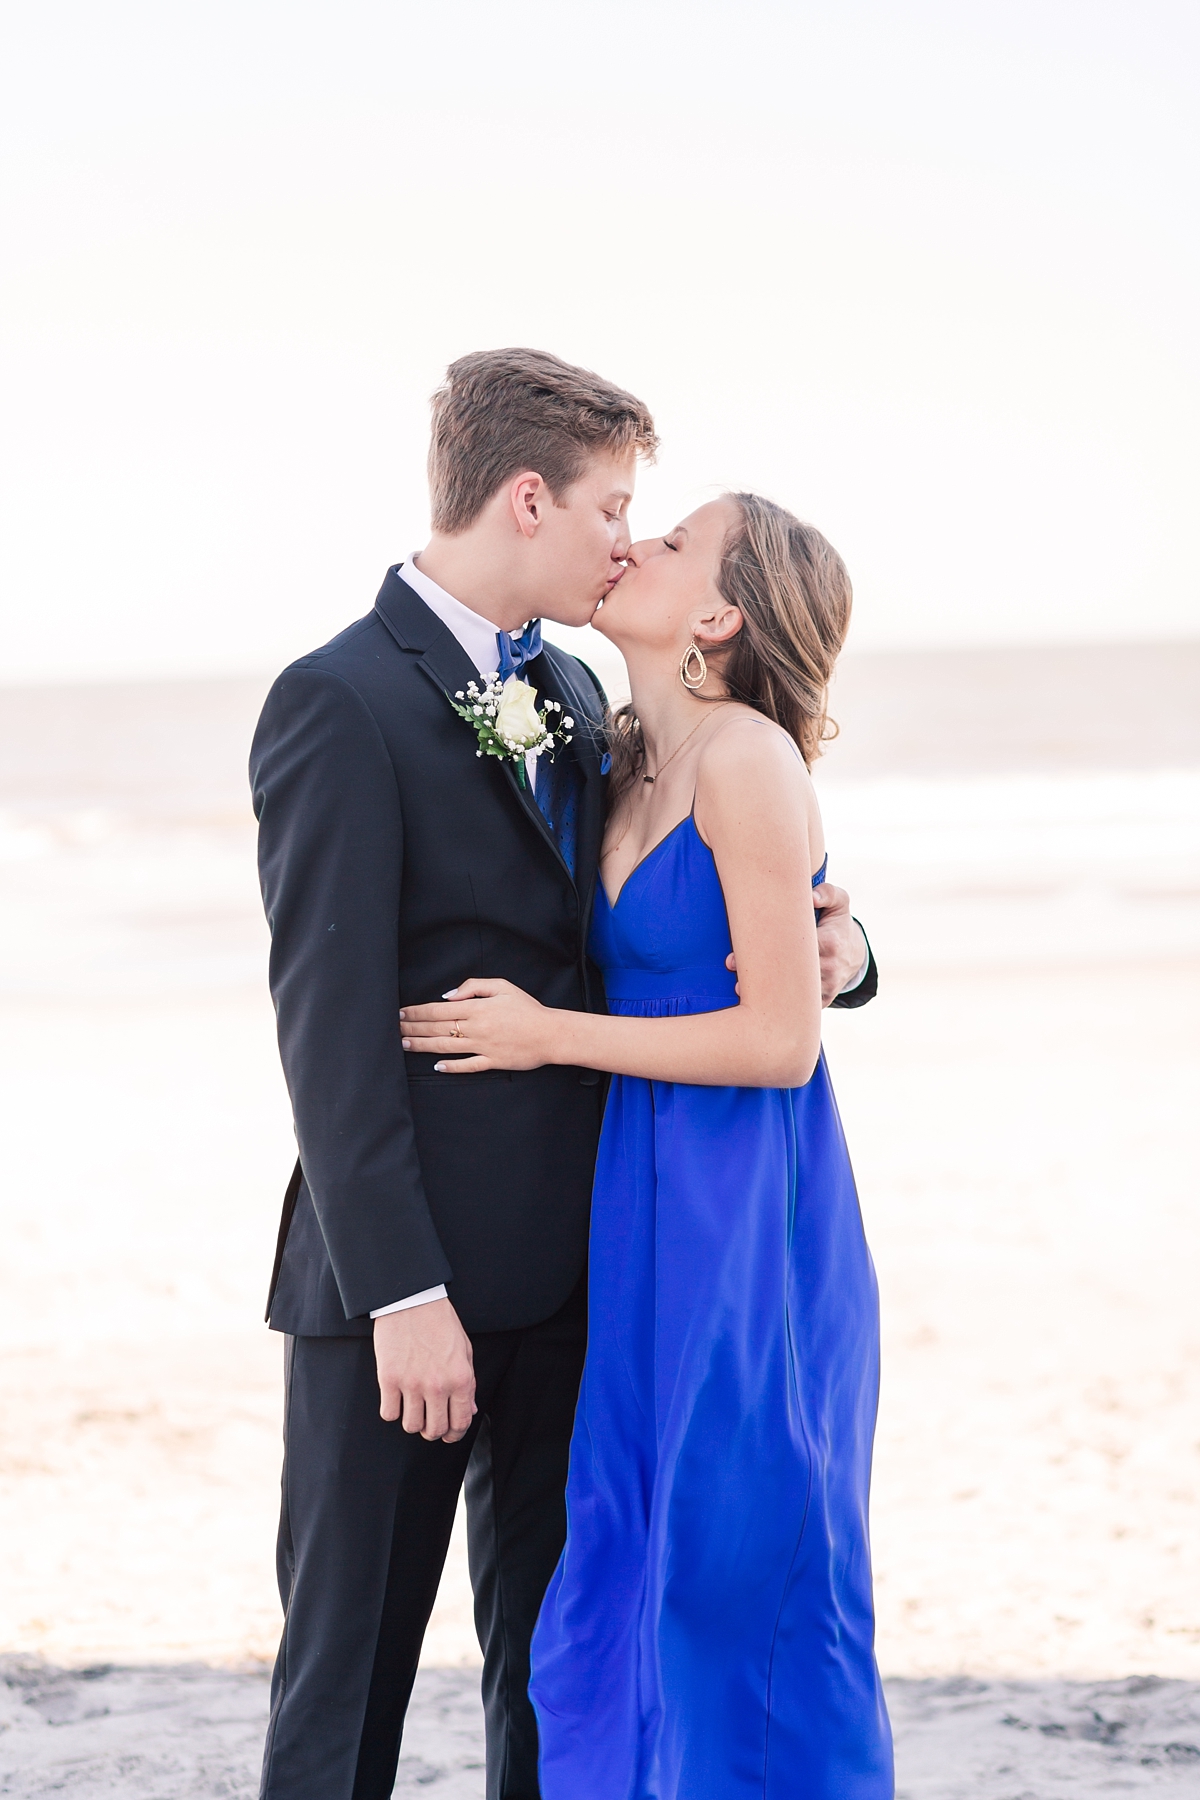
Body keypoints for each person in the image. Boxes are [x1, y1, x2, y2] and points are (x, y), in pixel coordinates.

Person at [250, 349, 878, 1800]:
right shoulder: (339, 700)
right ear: (529, 498)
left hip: (587, 1279)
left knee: (555, 1678)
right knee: (347, 1684)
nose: (623, 539)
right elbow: (326, 1032)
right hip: (398, 1298)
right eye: (613, 508)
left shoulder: (585, 694)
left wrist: (847, 948)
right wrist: (401, 1297)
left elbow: (721, 892)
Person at [398, 493, 893, 1797]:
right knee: (623, 1553)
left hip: (748, 1223)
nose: (635, 545)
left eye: (671, 542)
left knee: (736, 1567)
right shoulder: (612, 755)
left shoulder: (745, 759)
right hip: (633, 1207)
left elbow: (782, 1039)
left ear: (720, 615)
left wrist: (547, 1035)